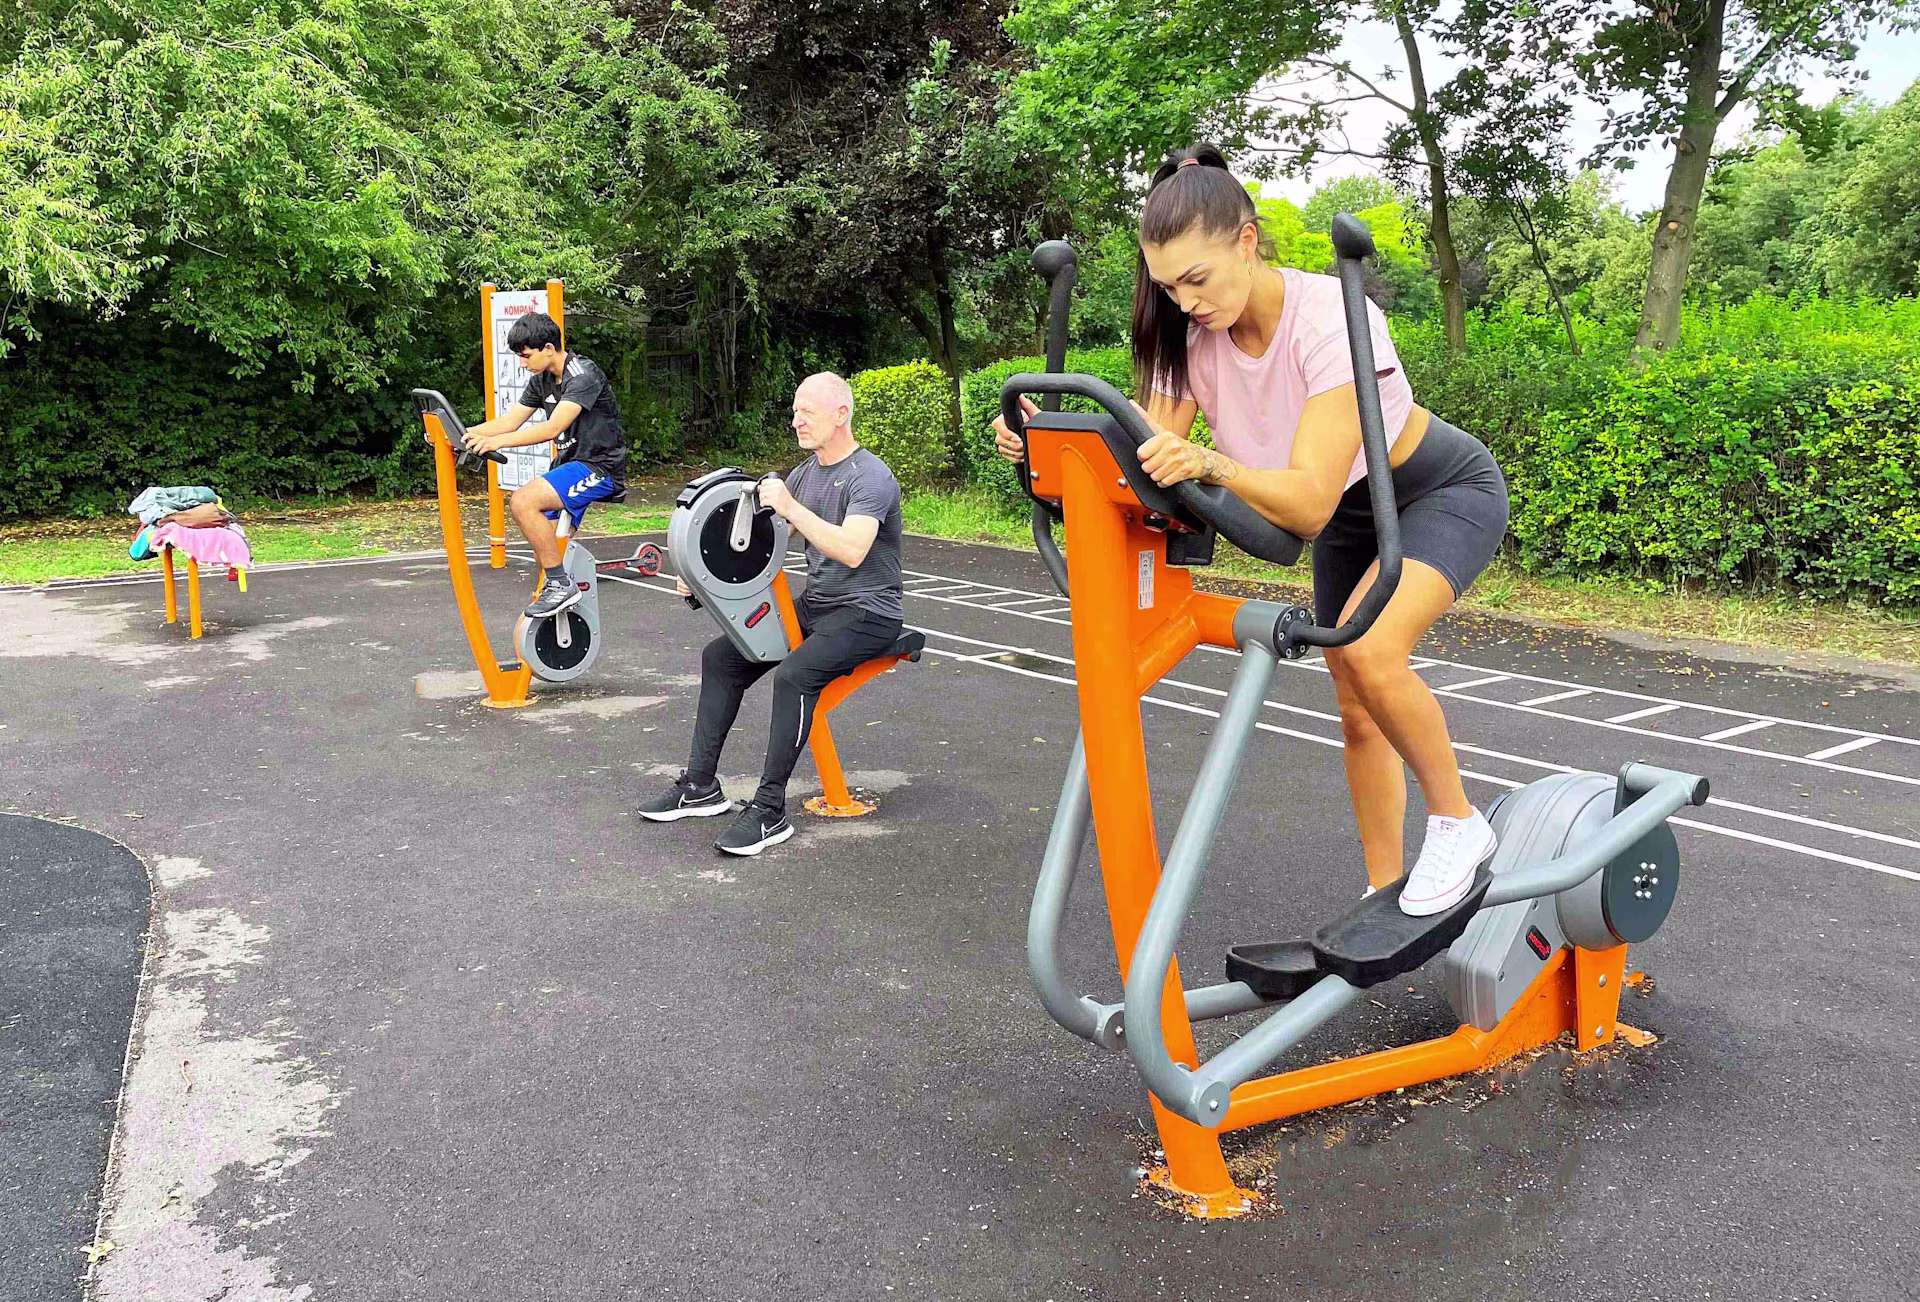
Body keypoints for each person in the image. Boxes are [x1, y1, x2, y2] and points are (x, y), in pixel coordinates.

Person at [993, 145, 1510, 917]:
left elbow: (1302, 506)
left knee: (1371, 651)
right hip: (1349, 519)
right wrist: (1051, 447)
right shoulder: (1187, 339)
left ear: (1246, 241)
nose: (1186, 302)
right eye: (1169, 287)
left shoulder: (1332, 317)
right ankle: (1380, 887)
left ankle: (1458, 822)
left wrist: (1214, 461)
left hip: (1435, 492)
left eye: (1197, 280)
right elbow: (1150, 471)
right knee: (1354, 707)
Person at [640, 373, 906, 857]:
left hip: (868, 612)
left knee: (794, 675)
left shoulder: (871, 477)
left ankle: (768, 810)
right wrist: (700, 577)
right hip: (819, 605)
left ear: (841, 415)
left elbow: (851, 549)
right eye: (795, 410)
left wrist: (787, 504)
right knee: (722, 658)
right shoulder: (807, 473)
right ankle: (700, 786)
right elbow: (757, 545)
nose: (796, 419)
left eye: (808, 411)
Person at [457, 312, 629, 618]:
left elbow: (551, 429)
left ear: (548, 348)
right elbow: (510, 421)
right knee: (547, 548)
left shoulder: (582, 374)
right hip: (568, 466)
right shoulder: (542, 380)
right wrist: (464, 435)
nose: (523, 364)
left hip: (598, 467)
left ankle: (562, 586)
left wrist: (497, 442)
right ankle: (563, 604)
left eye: (526, 356)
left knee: (523, 501)